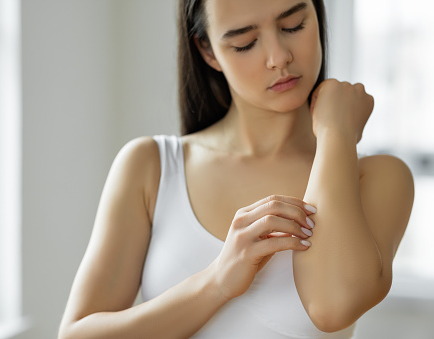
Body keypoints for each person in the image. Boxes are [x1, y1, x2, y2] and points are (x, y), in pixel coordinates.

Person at [58, 0, 414, 338]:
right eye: (245, 43)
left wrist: (336, 133)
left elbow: (332, 307)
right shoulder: (152, 166)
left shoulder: (377, 178)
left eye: (294, 25)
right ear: (208, 50)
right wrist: (216, 282)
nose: (279, 57)